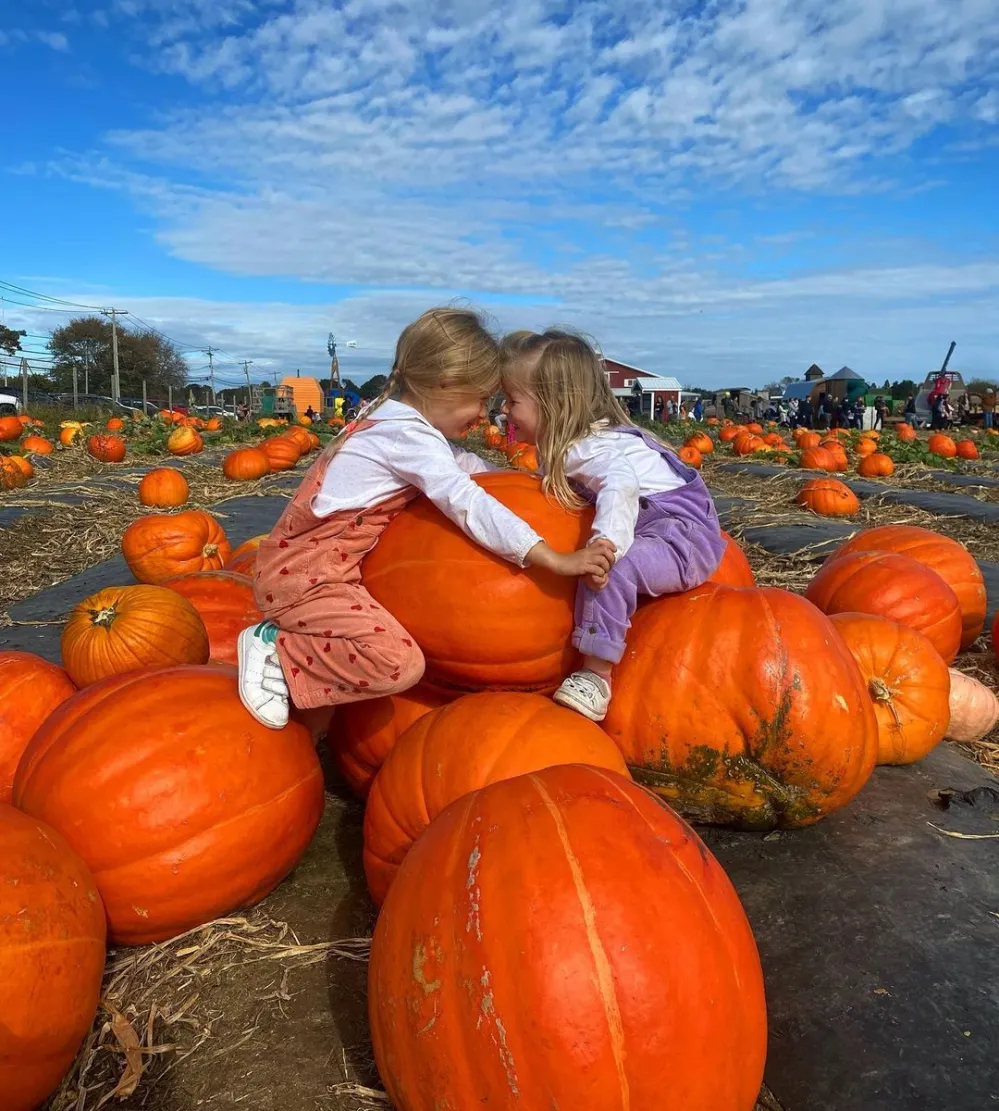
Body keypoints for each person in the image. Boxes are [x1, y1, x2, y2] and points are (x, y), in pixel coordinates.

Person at [236, 308, 612, 728]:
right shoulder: (405, 436)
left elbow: (463, 466)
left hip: (319, 571)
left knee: (349, 693)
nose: (487, 414)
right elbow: (467, 500)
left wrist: (540, 485)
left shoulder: (397, 423)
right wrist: (548, 557)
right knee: (398, 663)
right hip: (308, 580)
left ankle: (306, 688)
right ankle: (277, 648)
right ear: (446, 384)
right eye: (481, 398)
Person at [501, 329, 725, 722]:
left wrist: (606, 544)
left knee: (609, 570)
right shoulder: (576, 444)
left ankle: (596, 674)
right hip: (660, 521)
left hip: (680, 533)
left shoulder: (585, 449)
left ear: (552, 405)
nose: (505, 409)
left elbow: (620, 484)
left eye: (514, 400)